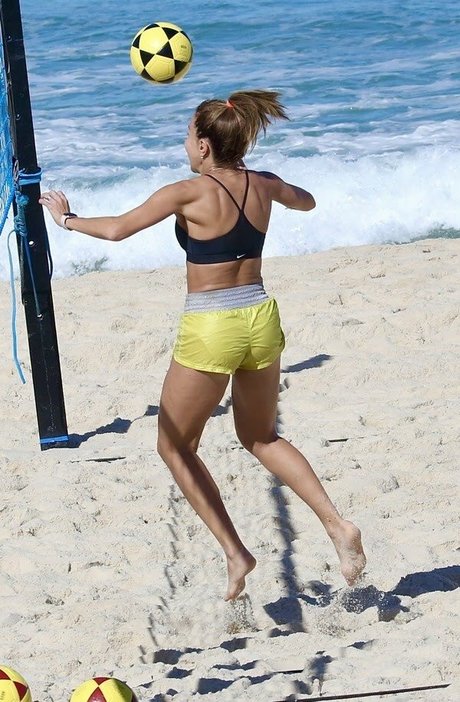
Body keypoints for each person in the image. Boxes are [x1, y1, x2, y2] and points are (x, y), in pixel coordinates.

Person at [40, 90, 366, 601]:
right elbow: (307, 201)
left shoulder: (187, 192)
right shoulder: (264, 184)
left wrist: (66, 219)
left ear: (206, 146)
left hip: (213, 326)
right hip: (261, 318)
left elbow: (118, 230)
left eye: (189, 135)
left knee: (174, 446)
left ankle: (236, 553)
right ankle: (337, 525)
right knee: (262, 438)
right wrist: (271, 185)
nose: (185, 142)